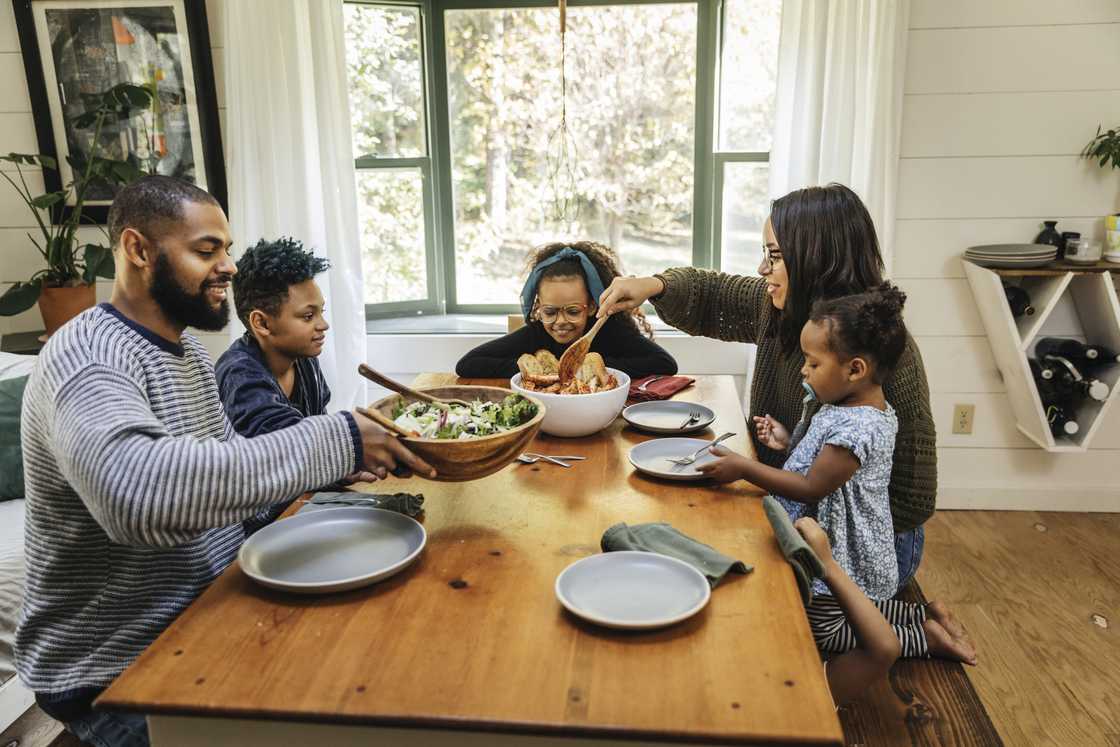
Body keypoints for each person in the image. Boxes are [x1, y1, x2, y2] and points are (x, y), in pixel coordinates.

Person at [16, 176, 433, 747]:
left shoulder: (185, 351)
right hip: (114, 667)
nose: (229, 267)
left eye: (227, 250)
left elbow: (230, 475)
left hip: (207, 614)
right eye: (206, 250)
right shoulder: (87, 356)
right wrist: (341, 441)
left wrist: (349, 467)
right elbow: (139, 497)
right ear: (138, 250)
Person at [597, 184, 936, 590]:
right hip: (799, 513)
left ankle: (917, 626)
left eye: (774, 256)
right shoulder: (784, 309)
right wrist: (651, 285)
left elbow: (912, 496)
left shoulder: (883, 351)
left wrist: (825, 534)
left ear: (816, 259)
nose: (762, 269)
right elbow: (712, 293)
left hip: (863, 551)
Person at [698, 285, 975, 665]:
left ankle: (924, 639)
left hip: (844, 550)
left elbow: (813, 485)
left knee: (824, 627)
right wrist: (786, 442)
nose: (803, 369)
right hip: (848, 540)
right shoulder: (851, 405)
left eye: (813, 363)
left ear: (855, 369)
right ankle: (921, 614)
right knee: (857, 608)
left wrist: (744, 467)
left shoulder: (857, 427)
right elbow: (820, 458)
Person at [215, 238, 374, 532]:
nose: (323, 325)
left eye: (321, 312)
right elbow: (287, 441)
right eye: (308, 316)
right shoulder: (239, 374)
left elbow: (317, 434)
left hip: (302, 504)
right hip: (262, 528)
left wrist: (339, 470)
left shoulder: (303, 359)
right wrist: (349, 448)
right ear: (261, 324)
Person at [455, 241, 677, 379]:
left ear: (591, 306)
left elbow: (666, 364)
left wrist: (590, 364)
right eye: (550, 312)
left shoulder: (609, 330)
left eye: (572, 311)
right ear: (538, 307)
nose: (560, 321)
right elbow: (467, 364)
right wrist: (534, 368)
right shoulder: (536, 334)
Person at [793, 517, 901, 705]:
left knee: (834, 621)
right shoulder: (802, 701)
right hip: (866, 572)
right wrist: (828, 565)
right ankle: (923, 634)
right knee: (828, 629)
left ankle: (923, 625)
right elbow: (883, 649)